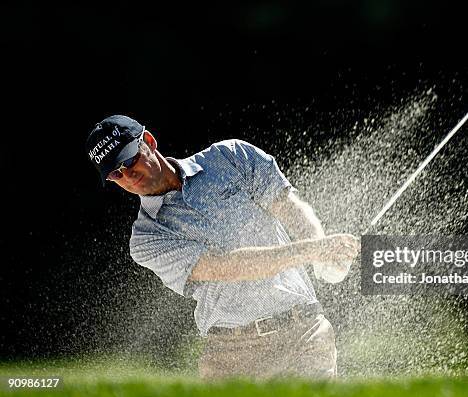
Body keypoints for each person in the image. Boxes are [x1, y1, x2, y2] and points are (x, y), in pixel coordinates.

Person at [86, 115, 360, 380]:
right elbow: (228, 267)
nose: (129, 176)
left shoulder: (231, 156)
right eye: (115, 174)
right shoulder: (146, 237)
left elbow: (290, 207)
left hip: (305, 332)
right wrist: (314, 250)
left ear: (149, 140)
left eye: (130, 160)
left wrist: (324, 254)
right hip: (233, 355)